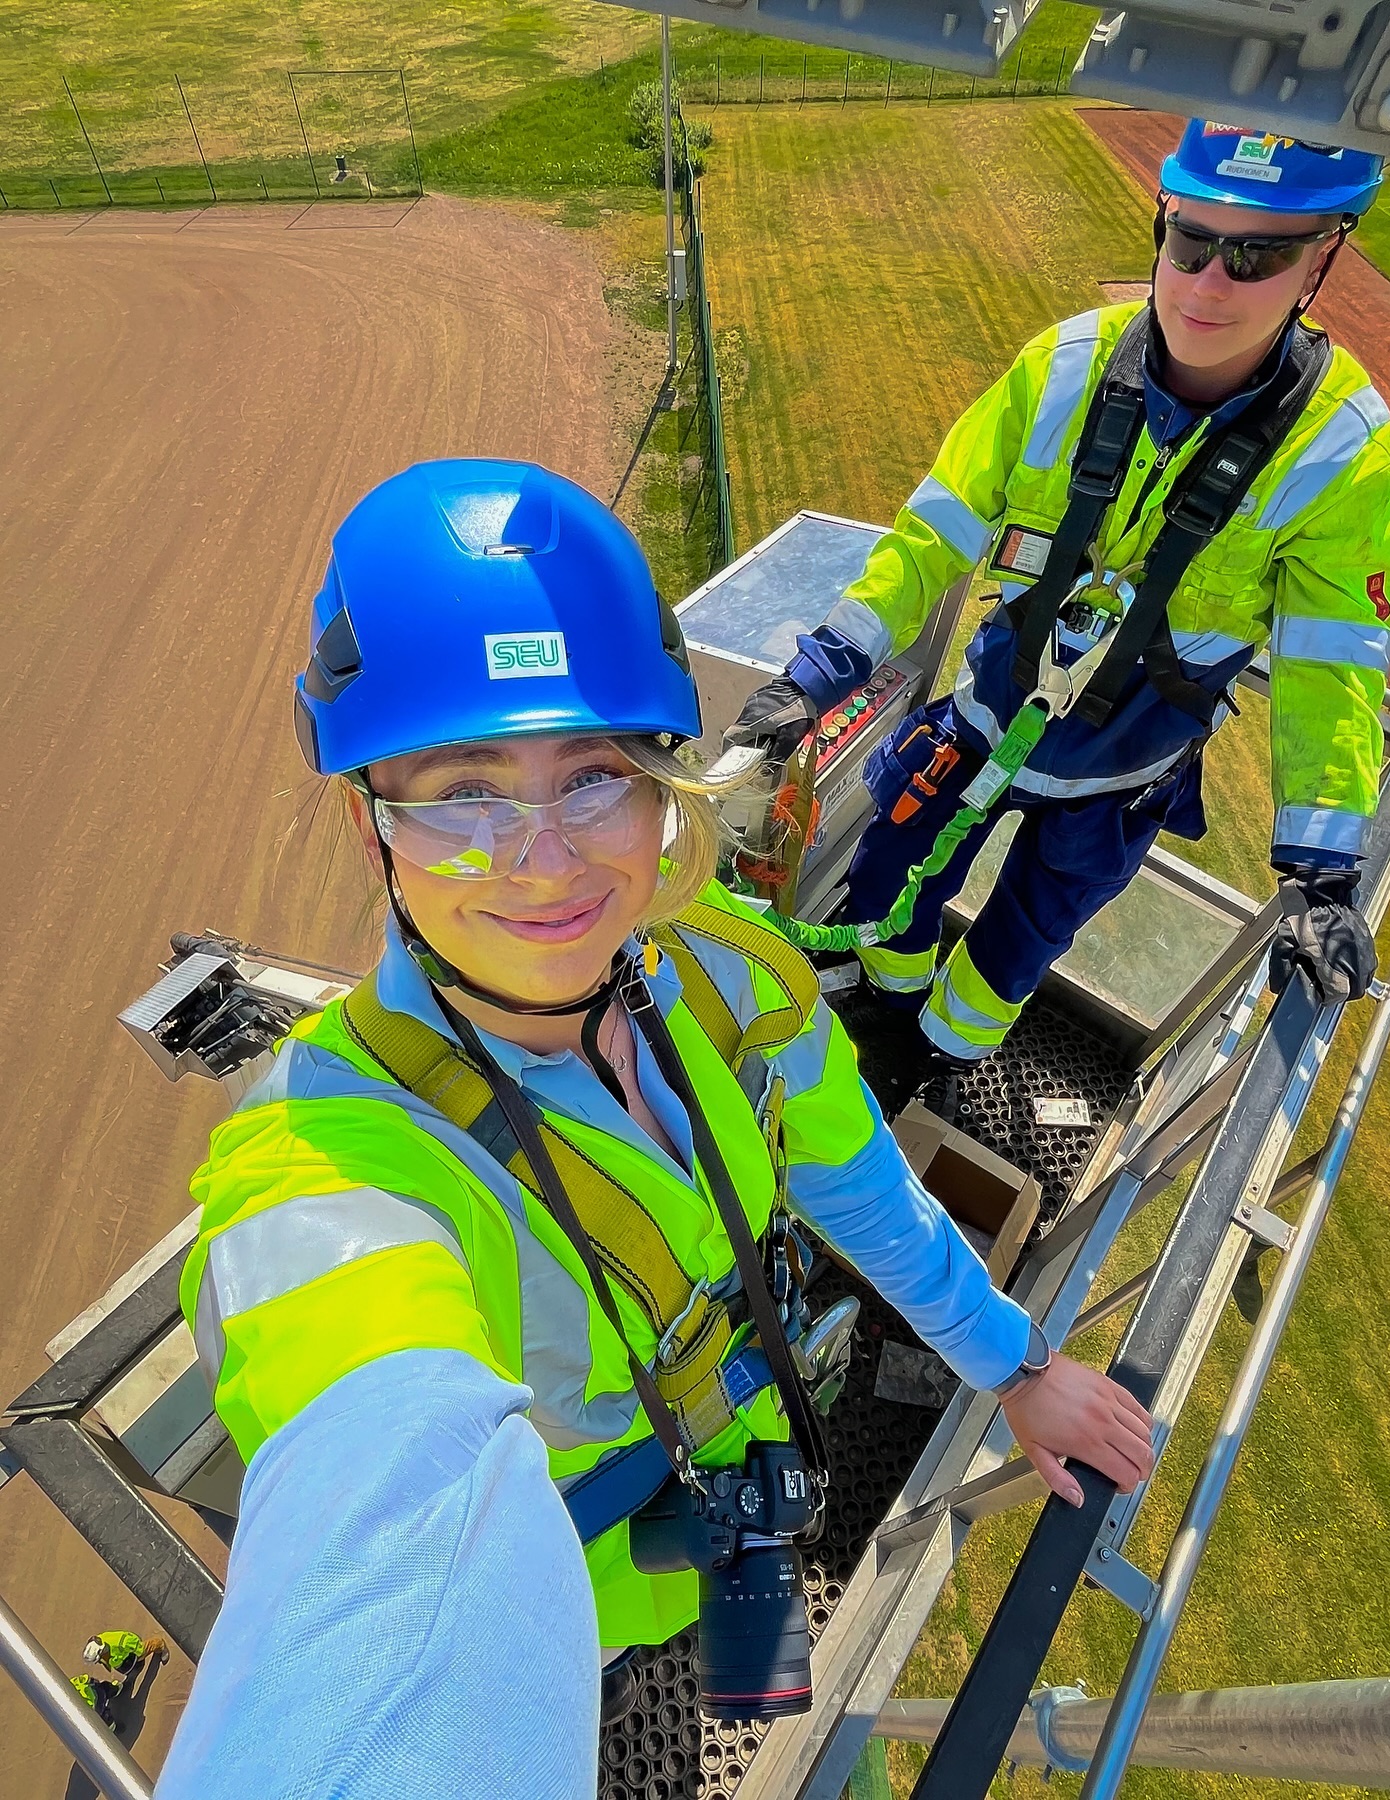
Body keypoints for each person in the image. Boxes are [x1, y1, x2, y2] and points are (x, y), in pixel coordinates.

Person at [157, 459, 1154, 1798]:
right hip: (579, 1614)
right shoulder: (323, 1164)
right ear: (367, 819)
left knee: (792, 1734)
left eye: (593, 774)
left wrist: (1018, 1367)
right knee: (662, 1741)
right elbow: (381, 1487)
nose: (549, 859)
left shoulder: (733, 976)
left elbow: (866, 1196)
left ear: (659, 782)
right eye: (463, 788)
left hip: (747, 1505)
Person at [727, 122, 1390, 1061]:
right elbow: (934, 538)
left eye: (1258, 257)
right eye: (1193, 242)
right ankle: (891, 1012)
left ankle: (944, 1057)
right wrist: (818, 673)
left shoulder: (1341, 457)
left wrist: (1323, 876)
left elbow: (1331, 669)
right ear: (1161, 227)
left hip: (1121, 776)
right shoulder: (1062, 371)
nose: (1210, 283)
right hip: (985, 718)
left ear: (1321, 259)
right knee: (889, 876)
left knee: (1018, 946)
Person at [82, 1630, 169, 1679]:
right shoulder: (99, 1643)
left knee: (142, 1652)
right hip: (118, 1657)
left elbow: (135, 1645)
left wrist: (138, 1653)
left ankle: (160, 1644)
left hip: (131, 1646)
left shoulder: (121, 1642)